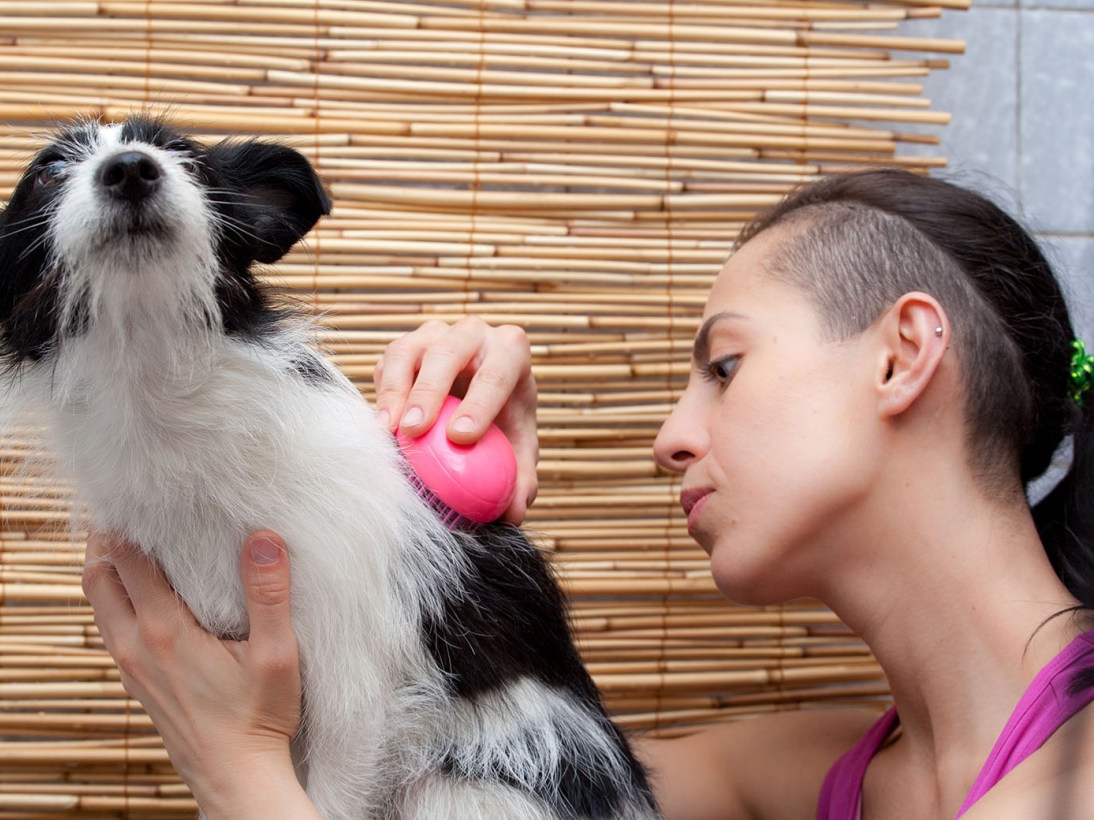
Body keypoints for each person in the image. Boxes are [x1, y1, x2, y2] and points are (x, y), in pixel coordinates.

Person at [81, 168, 1094, 818]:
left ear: (903, 354)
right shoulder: (821, 773)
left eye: (726, 367)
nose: (671, 438)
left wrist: (240, 774)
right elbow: (490, 774)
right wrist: (408, 531)